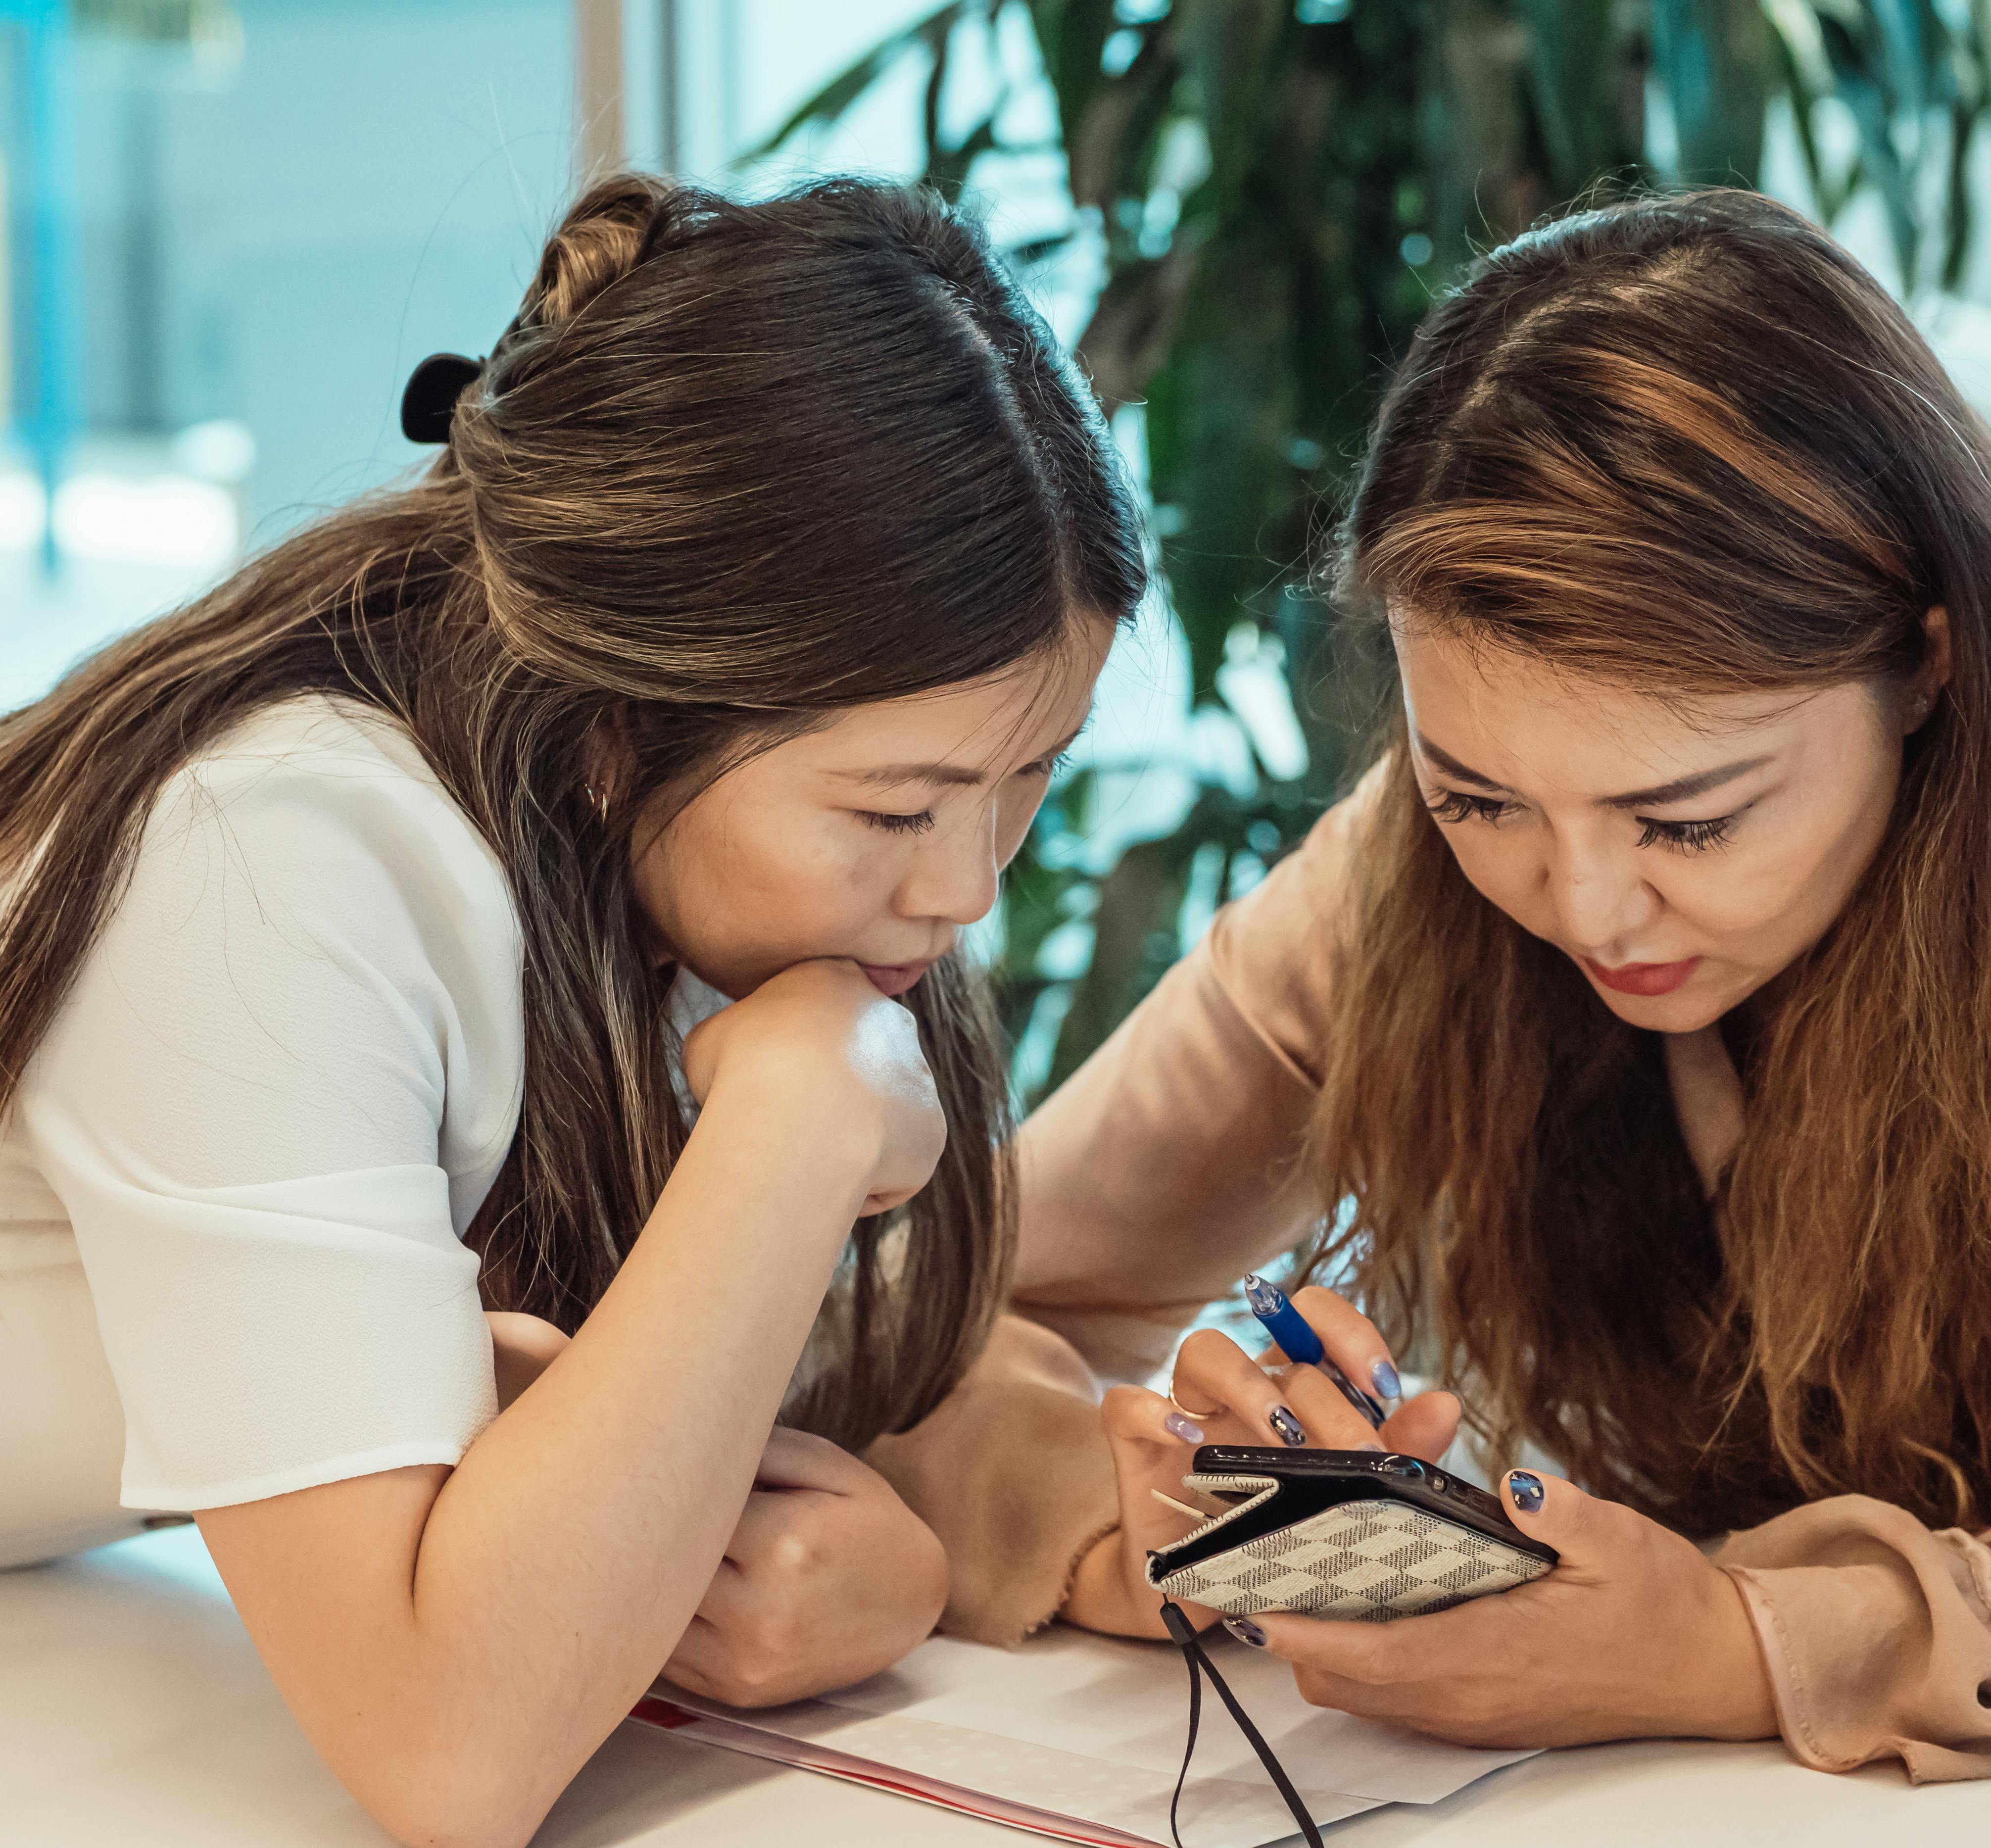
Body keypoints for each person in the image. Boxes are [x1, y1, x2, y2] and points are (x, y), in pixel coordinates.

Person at [892, 190, 1991, 1782]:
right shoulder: (1449, 851)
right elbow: (938, 1318)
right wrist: (1168, 1509)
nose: (1578, 904)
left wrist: (1739, 1641)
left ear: (1926, 661)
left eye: (1690, 819)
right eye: (1476, 797)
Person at [0, 174, 1142, 1846]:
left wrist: (890, 1549)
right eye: (895, 811)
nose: (969, 885)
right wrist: (798, 1119)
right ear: (613, 725)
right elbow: (445, 1750)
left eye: (1028, 781)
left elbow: (677, 1402)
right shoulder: (268, 862)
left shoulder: (653, 861)